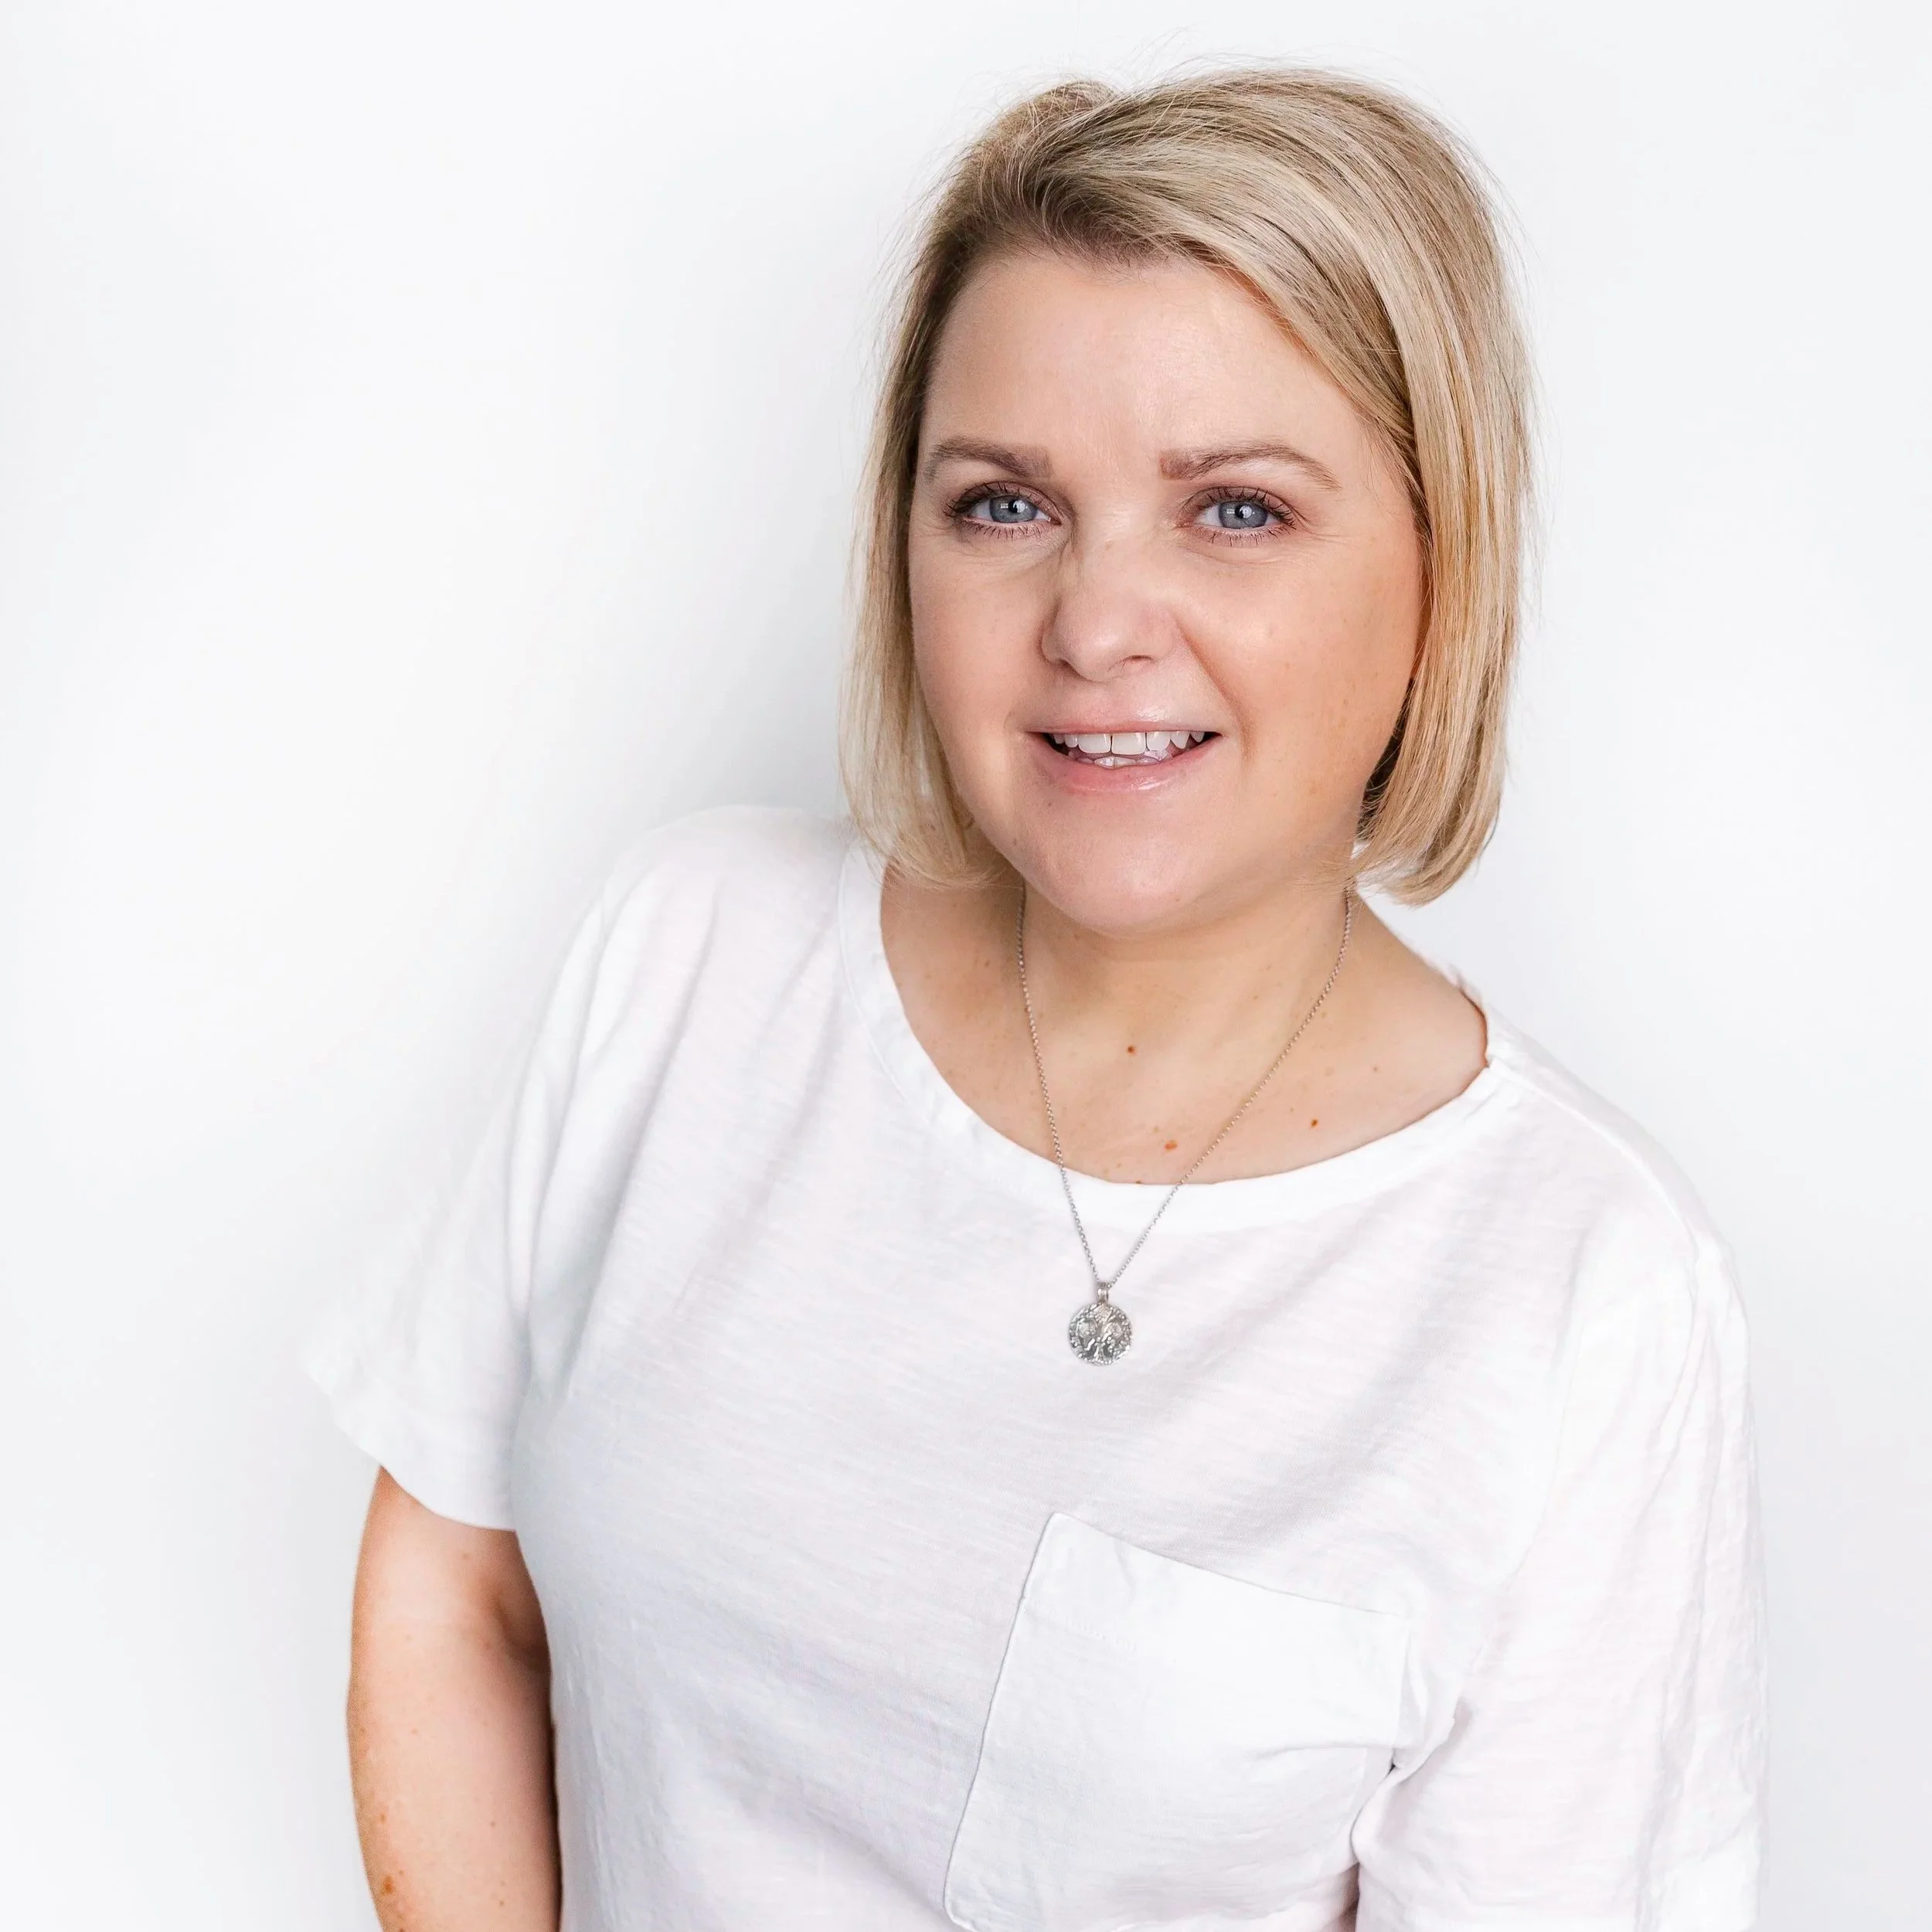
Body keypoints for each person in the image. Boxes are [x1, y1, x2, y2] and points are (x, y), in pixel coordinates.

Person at [311, 66, 1766, 1932]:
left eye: (1234, 511)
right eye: (1002, 503)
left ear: (1441, 565)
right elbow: (456, 1583)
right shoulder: (685, 954)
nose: (1094, 620)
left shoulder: (1582, 1288)